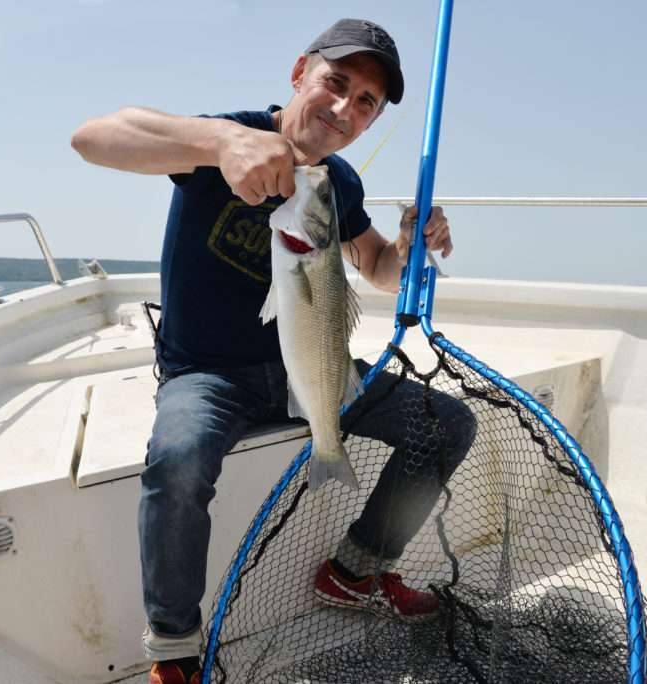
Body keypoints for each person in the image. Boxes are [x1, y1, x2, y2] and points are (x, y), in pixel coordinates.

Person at [72, 18, 477, 684]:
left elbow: (373, 265)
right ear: (299, 74)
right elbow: (91, 138)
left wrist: (408, 244)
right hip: (207, 374)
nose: (345, 109)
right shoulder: (221, 139)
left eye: (366, 103)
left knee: (447, 423)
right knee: (177, 460)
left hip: (310, 368)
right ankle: (174, 649)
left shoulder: (337, 185)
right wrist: (221, 141)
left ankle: (355, 570)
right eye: (336, 83)